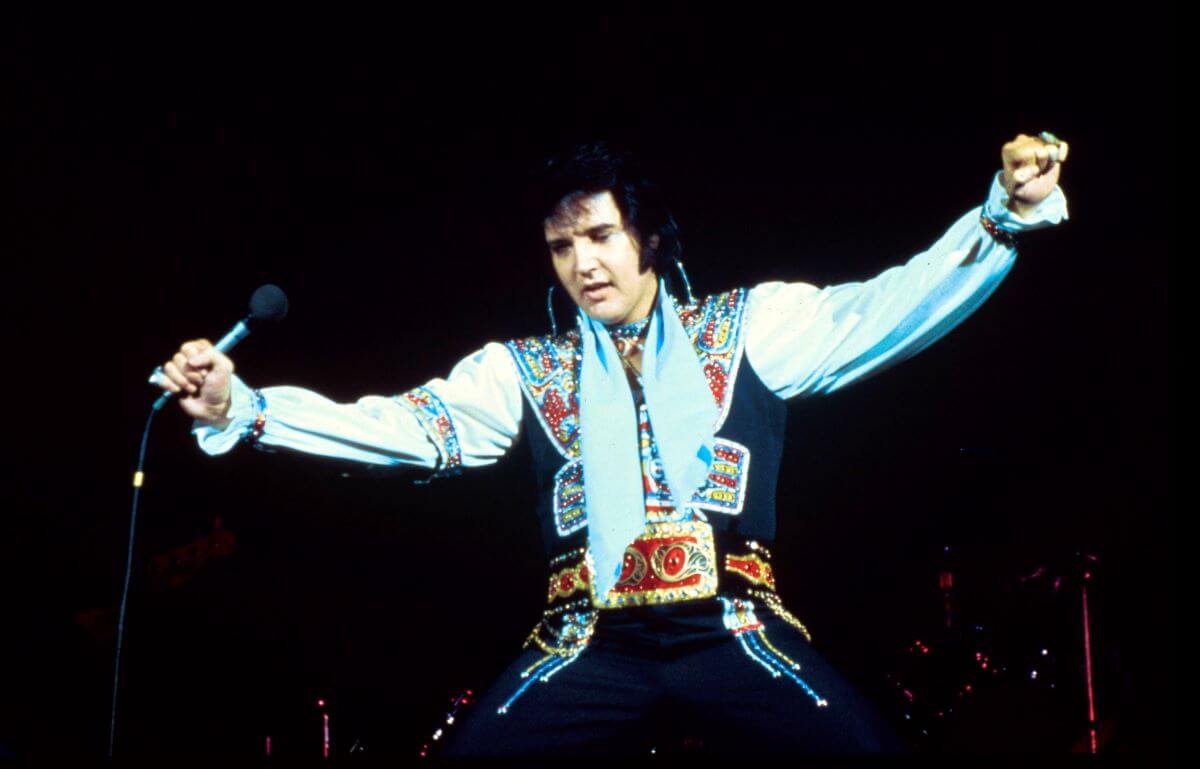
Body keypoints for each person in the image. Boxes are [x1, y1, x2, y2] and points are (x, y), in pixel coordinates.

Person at [157, 135, 1069, 755]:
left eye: (600, 236)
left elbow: (886, 306)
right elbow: (405, 428)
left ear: (649, 239)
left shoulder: (749, 327)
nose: (583, 263)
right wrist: (245, 405)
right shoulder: (523, 369)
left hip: (731, 627)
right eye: (562, 247)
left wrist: (1001, 215)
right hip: (585, 639)